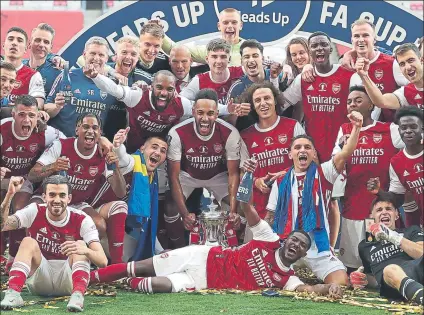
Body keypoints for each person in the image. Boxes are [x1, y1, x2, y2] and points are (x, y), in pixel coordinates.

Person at [89, 169, 343, 300]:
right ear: (285, 239)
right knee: (138, 266)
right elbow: (246, 207)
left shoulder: (287, 278)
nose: (295, 246)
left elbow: (307, 289)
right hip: (202, 256)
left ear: (300, 255)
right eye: (294, 240)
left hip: (205, 281)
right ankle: (91, 279)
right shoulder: (269, 238)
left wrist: (327, 288)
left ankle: (122, 283)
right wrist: (246, 180)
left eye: (301, 246)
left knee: (156, 285)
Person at [265, 111, 365, 286]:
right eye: (297, 147)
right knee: (266, 278)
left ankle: (301, 283)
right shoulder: (280, 181)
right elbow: (270, 216)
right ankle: (301, 282)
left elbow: (345, 153)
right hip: (287, 245)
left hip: (317, 248)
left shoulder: (324, 173)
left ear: (313, 154)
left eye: (307, 147)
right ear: (290, 154)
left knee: (340, 282)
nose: (302, 150)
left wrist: (356, 128)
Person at [282, 32, 357, 248]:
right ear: (310, 51)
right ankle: (310, 248)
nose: (319, 49)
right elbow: (284, 102)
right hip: (313, 151)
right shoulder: (304, 78)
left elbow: (364, 103)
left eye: (324, 44)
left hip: (339, 150)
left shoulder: (346, 75)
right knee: (312, 199)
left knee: (333, 200)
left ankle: (332, 249)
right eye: (314, 46)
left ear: (331, 49)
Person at [27, 113, 128, 264]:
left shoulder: (104, 154)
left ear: (100, 133)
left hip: (77, 203)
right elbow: (32, 175)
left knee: (99, 225)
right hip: (49, 199)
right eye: (85, 127)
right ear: (76, 130)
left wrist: (117, 167)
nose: (90, 131)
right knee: (31, 213)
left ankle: (76, 259)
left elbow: (120, 192)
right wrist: (53, 166)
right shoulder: (61, 145)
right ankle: (33, 258)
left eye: (95, 128)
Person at [0, 175, 107, 312]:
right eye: (52, 195)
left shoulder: (82, 219)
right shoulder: (34, 210)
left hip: (69, 280)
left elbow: (103, 261)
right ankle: (13, 294)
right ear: (44, 197)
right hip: (39, 279)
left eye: (62, 195)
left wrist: (85, 250)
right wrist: (10, 195)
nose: (57, 200)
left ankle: (78, 296)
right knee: (28, 242)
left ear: (69, 198)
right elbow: (2, 225)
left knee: (79, 245)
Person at [332, 86, 403, 271]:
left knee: (375, 261)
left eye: (357, 100)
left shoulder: (389, 130)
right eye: (349, 101)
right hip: (352, 207)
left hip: (377, 209)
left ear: (371, 104)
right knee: (350, 265)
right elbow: (336, 163)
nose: (352, 104)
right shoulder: (344, 130)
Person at [165, 89, 241, 246]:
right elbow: (173, 176)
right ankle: (177, 248)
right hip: (187, 176)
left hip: (217, 176)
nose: (205, 118)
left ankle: (234, 247)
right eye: (200, 112)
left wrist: (233, 211)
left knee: (241, 208)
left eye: (210, 113)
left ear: (217, 113)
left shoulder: (230, 132)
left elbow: (233, 174)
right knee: (171, 207)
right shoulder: (178, 132)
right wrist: (185, 214)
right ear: (193, 112)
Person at [0, 94, 65, 267]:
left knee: (19, 207)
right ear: (13, 115)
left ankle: (14, 256)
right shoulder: (2, 130)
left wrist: (102, 140)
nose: (26, 120)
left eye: (31, 115)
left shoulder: (46, 132)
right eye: (22, 115)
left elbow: (68, 141)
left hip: (24, 180)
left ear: (38, 116)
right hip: (2, 179)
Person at [239, 82, 305, 230]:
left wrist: (286, 174)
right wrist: (256, 182)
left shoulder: (293, 126)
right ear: (252, 105)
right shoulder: (245, 136)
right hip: (260, 208)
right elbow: (242, 173)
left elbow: (311, 162)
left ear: (275, 100)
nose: (263, 103)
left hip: (292, 201)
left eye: (267, 98)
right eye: (257, 100)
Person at [104, 131, 169, 261]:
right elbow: (123, 159)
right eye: (154, 147)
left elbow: (147, 222)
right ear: (142, 149)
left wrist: (160, 251)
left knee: (141, 255)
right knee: (130, 260)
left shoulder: (153, 178)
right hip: (101, 224)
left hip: (123, 227)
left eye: (163, 151)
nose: (158, 152)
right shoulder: (133, 162)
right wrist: (118, 146)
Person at [351, 196, 423, 305]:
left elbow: (421, 253)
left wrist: (393, 236)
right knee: (390, 270)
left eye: (388, 209)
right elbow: (374, 278)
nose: (384, 212)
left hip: (417, 270)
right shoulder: (364, 246)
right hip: (391, 282)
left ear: (397, 214)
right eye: (379, 210)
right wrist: (363, 279)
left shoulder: (411, 231)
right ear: (372, 217)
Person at [44, 36, 119, 137]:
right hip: (63, 142)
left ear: (106, 58)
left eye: (101, 55)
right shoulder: (67, 76)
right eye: (92, 53)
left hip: (91, 146)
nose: (96, 58)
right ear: (84, 55)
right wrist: (57, 107)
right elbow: (46, 109)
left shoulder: (112, 85)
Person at [341, 19, 409, 122]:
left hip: (388, 131)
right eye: (356, 36)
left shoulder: (391, 64)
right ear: (351, 40)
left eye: (365, 35)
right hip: (358, 130)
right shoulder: (347, 65)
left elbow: (414, 88)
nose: (361, 39)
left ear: (374, 39)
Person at [367, 106, 423, 227]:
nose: (408, 131)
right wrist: (379, 191)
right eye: (403, 128)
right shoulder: (397, 162)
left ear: (422, 129)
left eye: (413, 127)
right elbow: (397, 199)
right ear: (399, 131)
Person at [102, 35, 153, 141]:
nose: (128, 57)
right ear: (115, 55)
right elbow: (84, 64)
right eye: (124, 52)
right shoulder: (102, 71)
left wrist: (144, 93)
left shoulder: (146, 79)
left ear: (138, 57)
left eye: (133, 54)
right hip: (99, 135)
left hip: (127, 140)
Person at [226, 39, 279, 131]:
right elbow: (227, 124)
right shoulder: (237, 88)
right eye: (246, 57)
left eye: (255, 56)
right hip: (250, 141)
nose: (251, 60)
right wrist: (235, 113)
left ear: (262, 58)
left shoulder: (277, 76)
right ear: (241, 61)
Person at [162, 8, 245, 66]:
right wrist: (159, 33)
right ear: (219, 26)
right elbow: (175, 50)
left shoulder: (249, 49)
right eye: (225, 23)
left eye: (234, 22)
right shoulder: (210, 49)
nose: (230, 26)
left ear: (240, 25)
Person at [356, 43, 423, 112]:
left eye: (411, 60)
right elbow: (381, 102)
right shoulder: (406, 92)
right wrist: (364, 76)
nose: (408, 67)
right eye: (402, 64)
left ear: (421, 60)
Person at [180, 39, 243, 104]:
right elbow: (180, 103)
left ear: (229, 59)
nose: (218, 61)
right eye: (214, 57)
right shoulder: (198, 80)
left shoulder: (241, 72)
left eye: (223, 57)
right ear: (207, 59)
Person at [2, 27, 45, 108]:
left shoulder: (33, 75)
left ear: (25, 48)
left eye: (20, 40)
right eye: (11, 39)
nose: (14, 43)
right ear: (3, 45)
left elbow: (38, 104)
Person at [22, 23, 61, 97]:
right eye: (38, 40)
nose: (41, 45)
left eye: (46, 42)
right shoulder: (18, 67)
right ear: (29, 43)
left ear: (51, 47)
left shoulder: (57, 73)